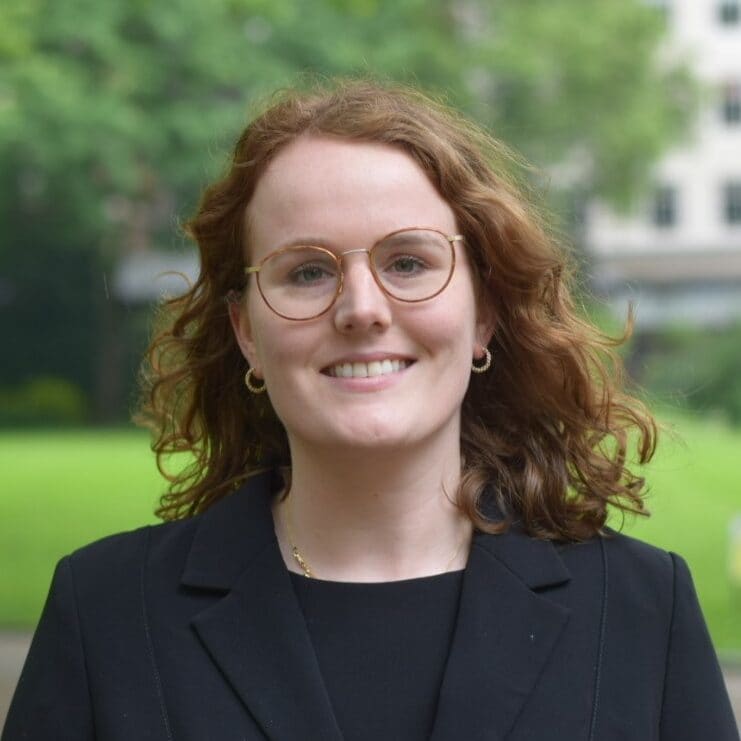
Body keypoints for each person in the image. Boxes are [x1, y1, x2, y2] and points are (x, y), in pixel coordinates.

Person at [3, 80, 738, 741]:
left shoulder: (642, 610)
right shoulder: (106, 614)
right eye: (306, 271)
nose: (361, 308)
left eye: (408, 262)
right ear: (246, 332)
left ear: (483, 314)